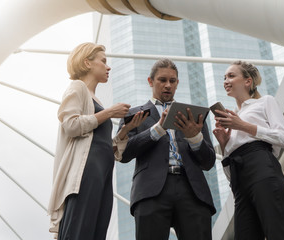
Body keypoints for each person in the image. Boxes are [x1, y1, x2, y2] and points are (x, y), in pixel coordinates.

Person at [47, 42, 148, 240]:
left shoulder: (97, 101)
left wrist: (125, 130)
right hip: (86, 173)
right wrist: (110, 113)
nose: (108, 66)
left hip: (103, 173)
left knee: (96, 232)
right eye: (103, 61)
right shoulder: (77, 88)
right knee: (80, 229)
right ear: (87, 63)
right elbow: (71, 125)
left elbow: (101, 144)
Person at [117, 58, 216, 240]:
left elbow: (209, 162)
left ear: (177, 83)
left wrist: (194, 137)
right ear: (150, 81)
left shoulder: (192, 115)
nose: (168, 85)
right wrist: (158, 129)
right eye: (162, 80)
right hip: (150, 191)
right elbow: (123, 153)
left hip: (192, 191)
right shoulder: (134, 115)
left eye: (172, 81)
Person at [213, 60, 284, 240]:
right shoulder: (234, 116)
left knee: (278, 232)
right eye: (224, 77)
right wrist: (225, 144)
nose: (226, 80)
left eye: (231, 76)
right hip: (239, 179)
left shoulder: (265, 102)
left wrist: (242, 125)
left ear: (248, 81)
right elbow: (228, 173)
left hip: (262, 168)